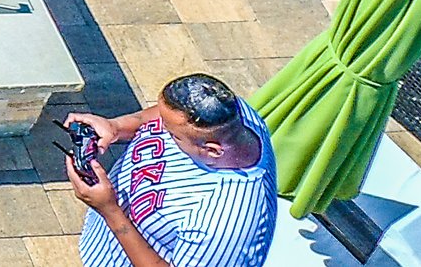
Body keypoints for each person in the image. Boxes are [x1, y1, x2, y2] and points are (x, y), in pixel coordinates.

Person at [69, 73, 278, 267]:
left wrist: (110, 210)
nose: (161, 128)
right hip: (104, 244)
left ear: (211, 150)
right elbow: (164, 116)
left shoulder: (227, 226)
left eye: (171, 133)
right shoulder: (230, 113)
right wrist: (116, 127)